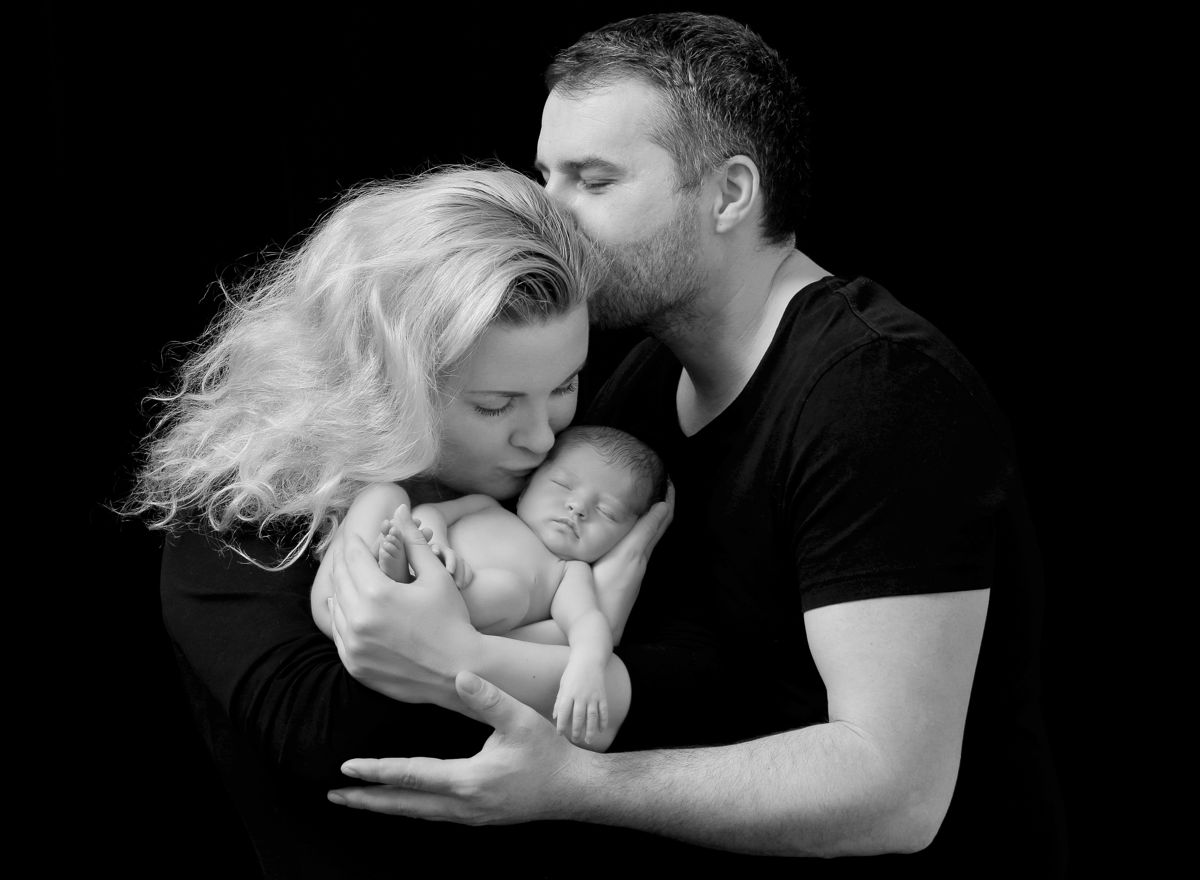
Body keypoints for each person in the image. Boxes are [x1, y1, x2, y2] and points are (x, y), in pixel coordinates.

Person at [324, 12, 1067, 874]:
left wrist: (574, 785)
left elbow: (893, 791)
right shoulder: (640, 380)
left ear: (729, 194)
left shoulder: (880, 392)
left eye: (593, 181)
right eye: (546, 177)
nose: (548, 216)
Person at [130, 165, 673, 877]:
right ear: (383, 388)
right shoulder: (239, 523)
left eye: (565, 385)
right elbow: (332, 737)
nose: (542, 437)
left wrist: (467, 652)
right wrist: (582, 628)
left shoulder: (569, 475)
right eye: (495, 405)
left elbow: (695, 685)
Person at [311, 424, 668, 744]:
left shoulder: (568, 573)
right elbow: (431, 514)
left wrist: (586, 667)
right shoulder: (485, 506)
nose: (577, 507)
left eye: (607, 511)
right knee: (386, 495)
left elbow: (588, 622)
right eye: (562, 485)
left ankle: (400, 590)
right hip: (400, 572)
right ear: (528, 485)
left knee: (508, 592)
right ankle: (354, 592)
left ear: (625, 536)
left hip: (442, 625)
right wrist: (436, 543)